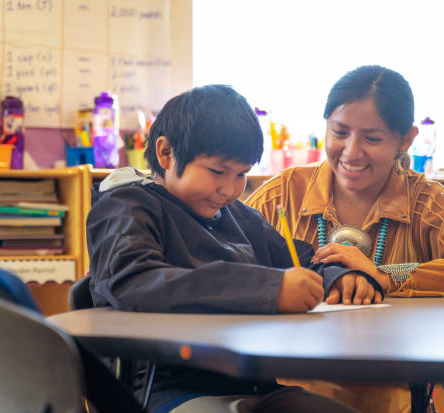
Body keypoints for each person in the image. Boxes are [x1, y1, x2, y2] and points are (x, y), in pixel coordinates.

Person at [246, 65, 444, 413]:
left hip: (393, 398)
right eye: (339, 132)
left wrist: (387, 274)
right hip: (285, 394)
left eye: (372, 139)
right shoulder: (284, 193)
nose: (351, 152)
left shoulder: (425, 202)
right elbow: (222, 258)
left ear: (406, 139)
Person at [86, 84, 369, 413]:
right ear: (166, 153)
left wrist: (339, 277)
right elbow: (134, 282)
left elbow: (301, 259)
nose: (230, 188)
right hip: (167, 391)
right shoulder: (126, 207)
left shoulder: (238, 216)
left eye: (241, 174)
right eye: (218, 171)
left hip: (255, 385)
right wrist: (267, 289)